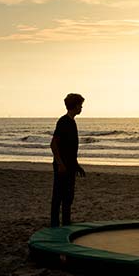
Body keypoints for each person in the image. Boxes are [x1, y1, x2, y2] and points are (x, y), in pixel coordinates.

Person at [50, 93, 86, 227]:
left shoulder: (72, 122)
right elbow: (53, 144)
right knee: (58, 195)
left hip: (70, 166)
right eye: (80, 105)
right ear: (75, 106)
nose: (81, 108)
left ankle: (66, 222)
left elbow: (71, 148)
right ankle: (54, 223)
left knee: (68, 196)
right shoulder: (63, 122)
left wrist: (77, 165)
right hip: (62, 166)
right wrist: (60, 164)